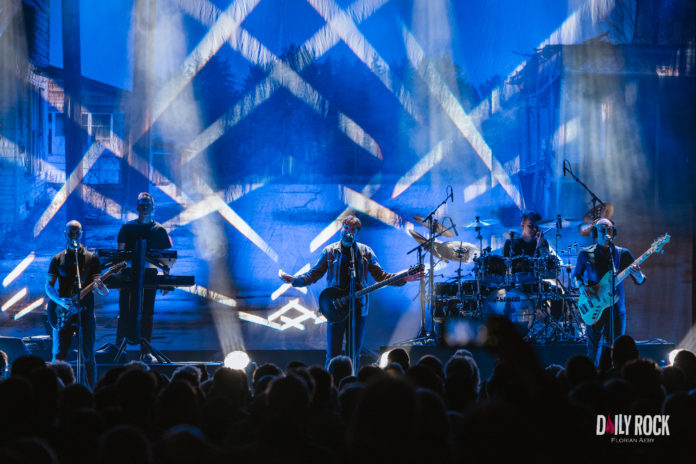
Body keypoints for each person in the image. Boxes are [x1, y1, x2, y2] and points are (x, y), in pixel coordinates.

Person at [280, 215, 419, 367]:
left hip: (358, 309)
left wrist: (404, 278)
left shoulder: (366, 252)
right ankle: (331, 380)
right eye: (346, 228)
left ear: (357, 233)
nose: (348, 232)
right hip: (335, 307)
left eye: (352, 230)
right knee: (332, 354)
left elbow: (381, 276)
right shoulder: (330, 251)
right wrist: (295, 280)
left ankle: (352, 379)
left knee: (354, 354)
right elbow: (313, 274)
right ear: (342, 229)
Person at [572, 218, 646, 365]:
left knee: (619, 352)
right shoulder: (585, 254)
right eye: (602, 230)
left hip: (616, 308)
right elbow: (576, 276)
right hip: (594, 306)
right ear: (595, 233)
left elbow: (639, 280)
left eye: (609, 229)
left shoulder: (622, 254)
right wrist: (582, 287)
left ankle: (617, 376)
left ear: (614, 232)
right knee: (593, 351)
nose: (606, 233)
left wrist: (639, 275)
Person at [45, 220, 105, 387]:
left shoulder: (92, 258)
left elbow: (98, 286)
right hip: (63, 312)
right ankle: (56, 390)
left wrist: (102, 288)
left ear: (81, 234)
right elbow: (48, 286)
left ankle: (91, 392)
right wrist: (59, 301)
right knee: (59, 355)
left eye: (77, 232)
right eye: (71, 232)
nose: (74, 235)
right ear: (65, 234)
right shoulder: (57, 259)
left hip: (85, 312)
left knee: (88, 355)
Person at [116, 192, 172, 362]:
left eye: (147, 203)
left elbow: (166, 258)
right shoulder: (127, 228)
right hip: (128, 274)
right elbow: (119, 254)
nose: (145, 206)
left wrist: (165, 279)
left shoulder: (159, 230)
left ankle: (145, 351)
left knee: (147, 312)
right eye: (142, 203)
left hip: (149, 274)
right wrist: (118, 276)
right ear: (137, 207)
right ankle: (119, 349)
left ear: (153, 207)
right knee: (125, 311)